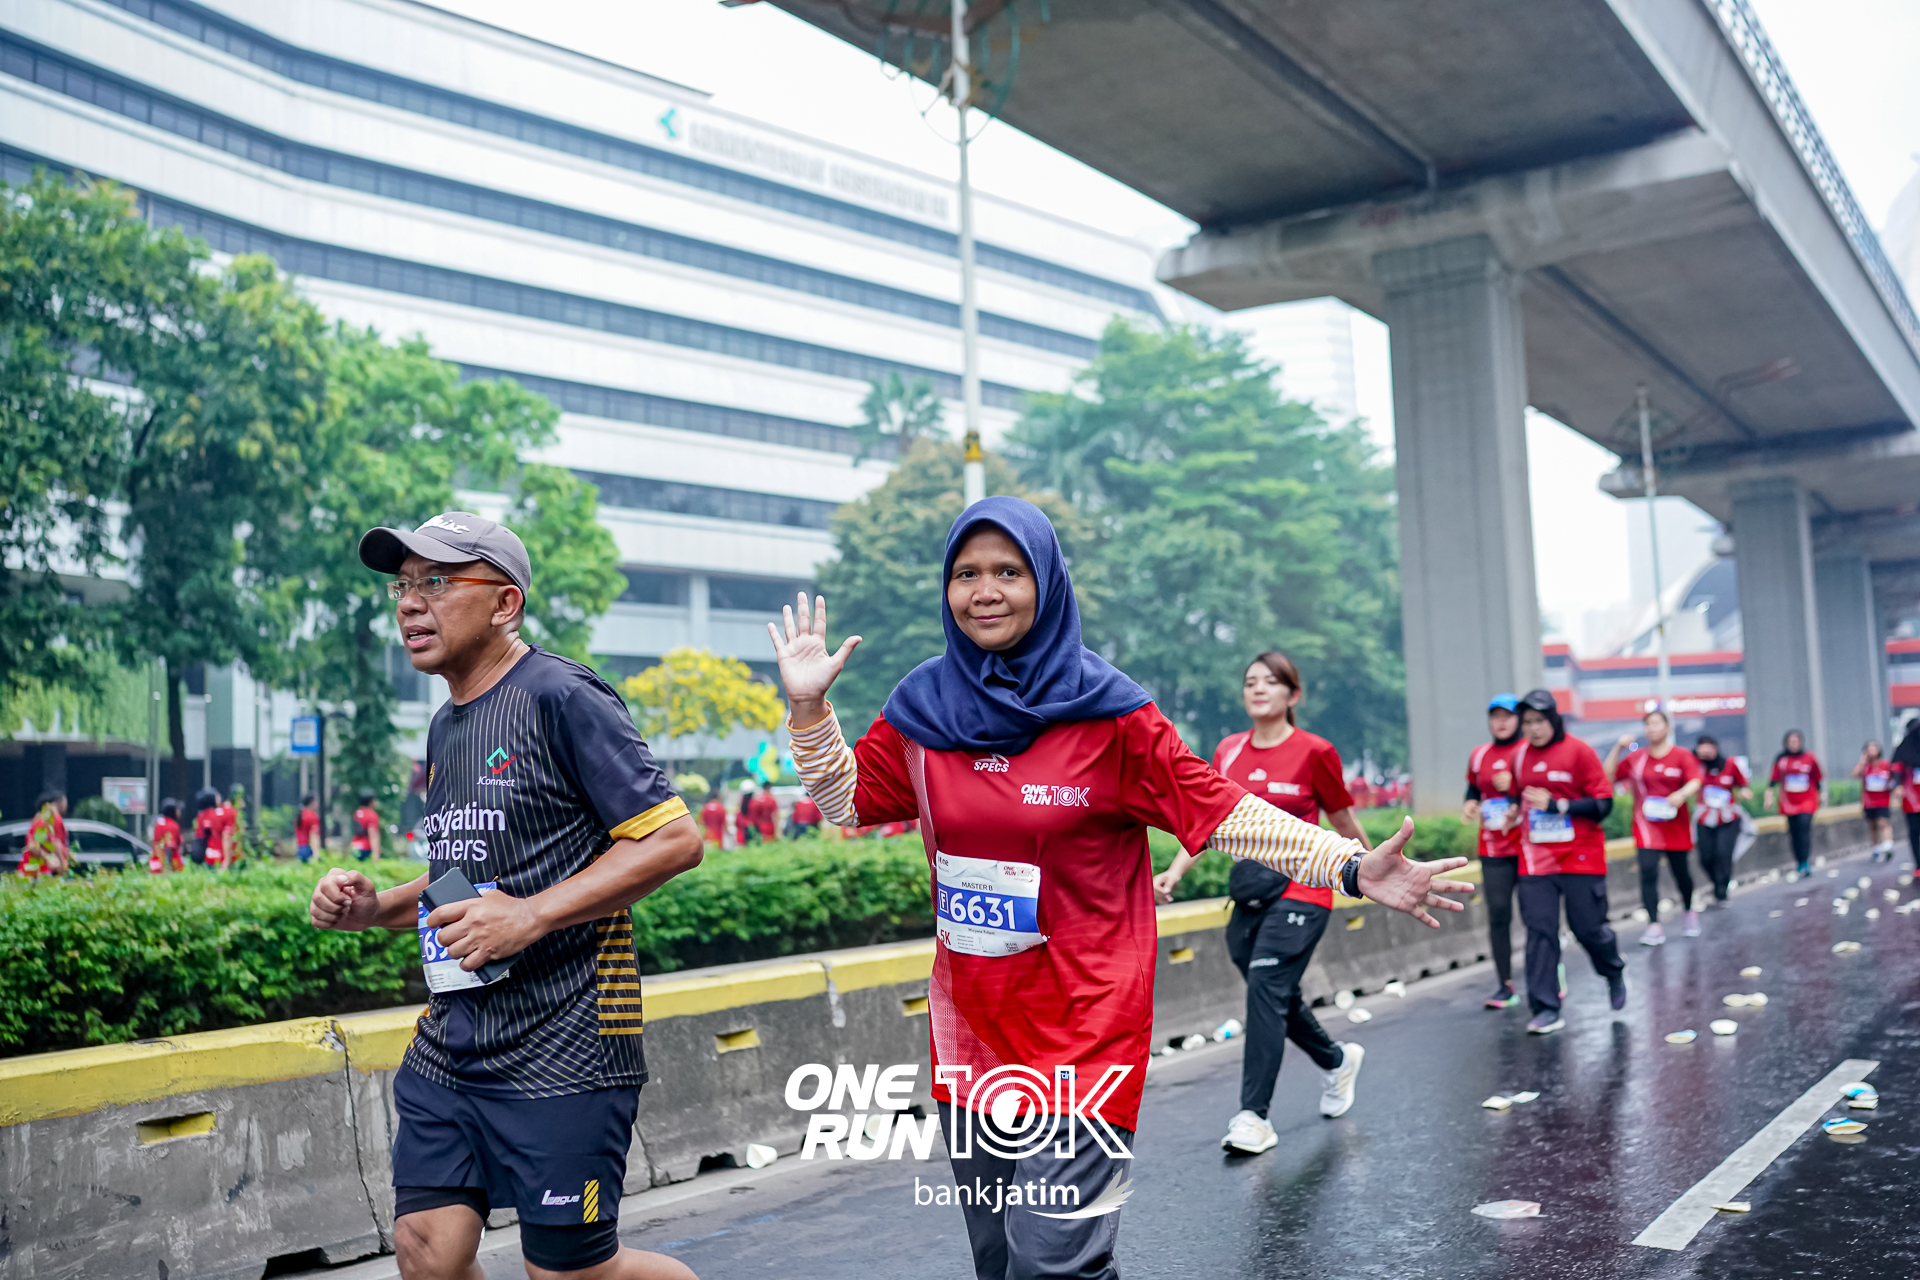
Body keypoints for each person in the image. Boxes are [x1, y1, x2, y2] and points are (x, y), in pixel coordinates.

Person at [770, 497, 1472, 1280]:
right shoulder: (923, 709)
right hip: (972, 1031)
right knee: (999, 1263)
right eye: (966, 574)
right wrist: (809, 707)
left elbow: (1220, 810)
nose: (985, 591)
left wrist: (1347, 864)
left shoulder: (1110, 714)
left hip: (1086, 1026)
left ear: (1047, 583)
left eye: (1009, 572)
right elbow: (849, 800)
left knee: (1052, 1262)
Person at [310, 511, 704, 1280]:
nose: (410, 602)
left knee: (571, 1273)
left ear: (504, 603)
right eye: (402, 585)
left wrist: (530, 917)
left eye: (435, 582)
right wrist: (376, 908)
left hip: (567, 1045)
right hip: (454, 1044)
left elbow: (672, 840)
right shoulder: (446, 726)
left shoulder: (562, 695)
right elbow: (463, 873)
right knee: (427, 1251)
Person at [1152, 650, 1370, 1156]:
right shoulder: (1228, 751)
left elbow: (1341, 820)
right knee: (1272, 992)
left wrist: (1376, 870)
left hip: (1304, 888)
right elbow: (1209, 820)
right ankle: (1337, 1060)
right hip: (1249, 890)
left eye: (1270, 681)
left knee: (1267, 985)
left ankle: (1254, 1116)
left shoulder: (1315, 751)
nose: (1257, 689)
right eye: (1250, 681)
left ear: (1292, 694)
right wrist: (1176, 871)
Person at [1513, 689, 1627, 1035]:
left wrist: (1558, 806)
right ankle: (1546, 1007)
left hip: (1581, 856)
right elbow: (1518, 799)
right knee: (1540, 931)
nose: (1533, 729)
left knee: (1587, 928)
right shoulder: (1520, 756)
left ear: (1554, 720)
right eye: (1527, 722)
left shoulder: (1579, 752)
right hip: (1536, 859)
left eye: (1540, 721)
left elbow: (1603, 805)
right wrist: (1509, 813)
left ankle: (1612, 969)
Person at [1604, 709, 1704, 945]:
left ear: (1668, 728)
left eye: (1657, 723)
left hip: (1675, 825)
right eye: (1648, 724)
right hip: (1646, 827)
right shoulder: (1637, 759)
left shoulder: (1681, 755)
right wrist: (1617, 748)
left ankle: (1689, 911)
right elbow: (1607, 777)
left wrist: (1681, 794)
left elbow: (1695, 780)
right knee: (1648, 871)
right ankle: (1654, 925)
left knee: (1681, 873)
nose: (1652, 728)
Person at [1462, 694, 1525, 1009]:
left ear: (1518, 719)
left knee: (1537, 915)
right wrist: (1470, 803)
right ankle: (1505, 985)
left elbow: (1546, 793)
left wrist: (1512, 787)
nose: (1501, 722)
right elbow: (1473, 788)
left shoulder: (1527, 752)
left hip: (1529, 846)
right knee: (1498, 913)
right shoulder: (1479, 755)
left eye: (1507, 716)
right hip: (1493, 846)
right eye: (1495, 716)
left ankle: (1551, 973)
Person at [1691, 735, 1750, 907]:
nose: (1706, 750)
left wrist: (1744, 791)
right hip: (1704, 818)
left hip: (1727, 817)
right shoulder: (1696, 766)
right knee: (1705, 856)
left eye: (1709, 746)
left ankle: (1721, 891)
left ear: (1716, 747)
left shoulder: (1730, 764)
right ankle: (1717, 882)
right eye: (1702, 746)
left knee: (1723, 854)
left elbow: (1742, 783)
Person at [1762, 730, 1822, 876]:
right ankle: (1799, 861)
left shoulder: (1809, 757)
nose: (1793, 744)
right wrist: (1769, 797)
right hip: (1789, 802)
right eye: (1790, 742)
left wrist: (1820, 795)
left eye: (1796, 741)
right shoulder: (1781, 759)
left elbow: (1817, 778)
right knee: (1794, 831)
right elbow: (1773, 780)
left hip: (1807, 800)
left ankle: (1805, 862)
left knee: (1804, 827)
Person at [1854, 742, 1896, 862]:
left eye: (1873, 749)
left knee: (1883, 822)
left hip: (1883, 800)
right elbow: (1854, 775)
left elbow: (1894, 778)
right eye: (1868, 749)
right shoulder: (1865, 767)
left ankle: (1888, 847)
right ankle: (1876, 849)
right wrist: (1862, 761)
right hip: (1869, 801)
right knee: (1873, 825)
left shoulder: (1885, 764)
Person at [22, 788, 71, 879]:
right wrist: (60, 862)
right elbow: (35, 846)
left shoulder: (37, 820)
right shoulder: (47, 822)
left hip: (32, 867)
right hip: (42, 869)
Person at [150, 799, 186, 874]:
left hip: (156, 863)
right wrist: (167, 868)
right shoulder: (173, 826)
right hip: (170, 865)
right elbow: (169, 848)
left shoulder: (158, 824)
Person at [352, 790, 383, 862]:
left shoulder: (356, 813)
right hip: (366, 848)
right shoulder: (371, 815)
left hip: (355, 846)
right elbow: (373, 834)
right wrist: (376, 855)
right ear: (371, 802)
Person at [296, 794, 321, 863]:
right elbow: (313, 835)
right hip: (309, 849)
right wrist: (316, 853)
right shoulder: (312, 816)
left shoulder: (300, 814)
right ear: (312, 802)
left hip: (300, 848)